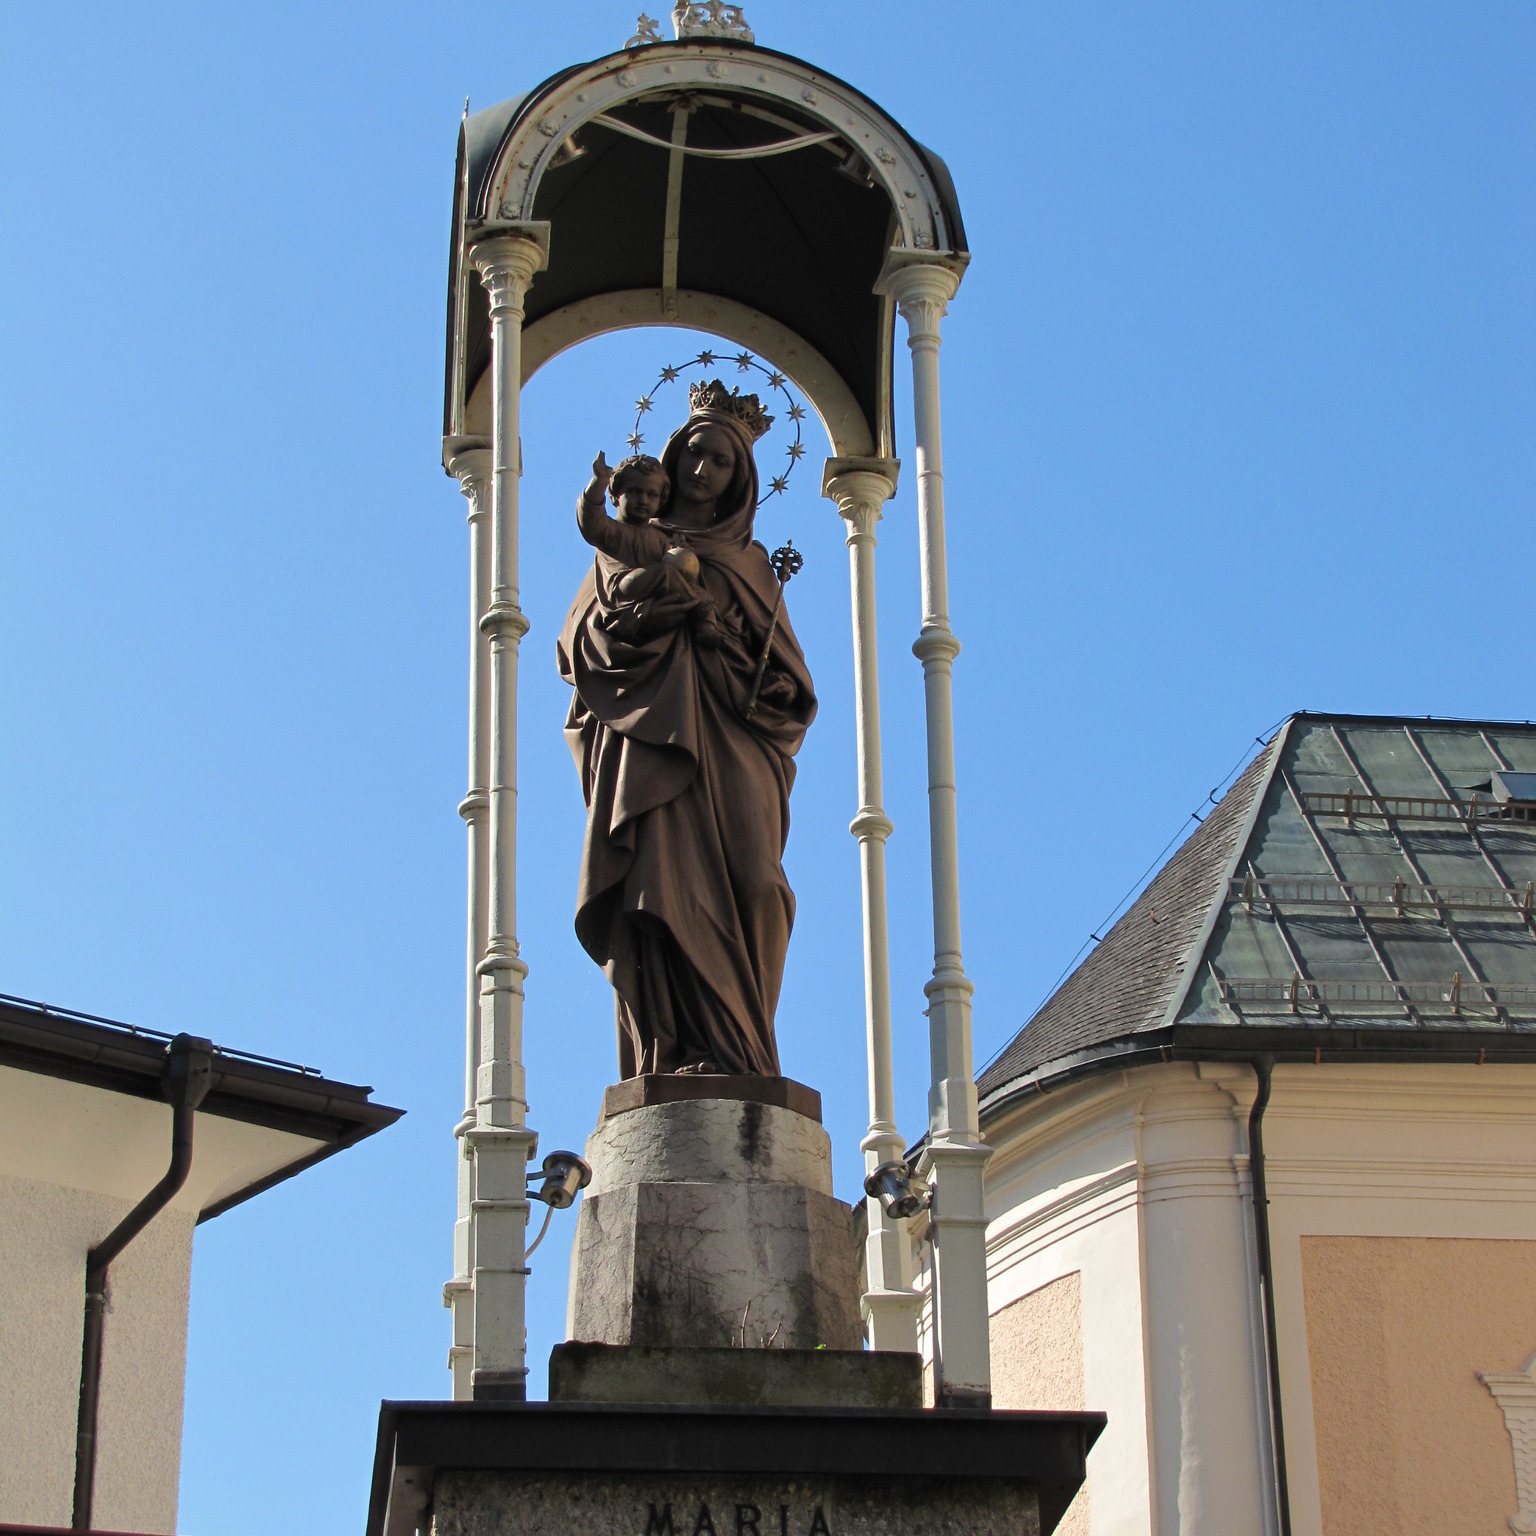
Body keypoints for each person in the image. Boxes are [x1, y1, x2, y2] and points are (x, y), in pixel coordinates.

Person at [557, 381, 816, 1078]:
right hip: (651, 736)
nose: (702, 472)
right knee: (655, 888)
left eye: (720, 463)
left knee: (758, 885)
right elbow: (583, 646)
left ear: (742, 480)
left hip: (733, 739)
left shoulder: (752, 565)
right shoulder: (633, 540)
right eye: (694, 455)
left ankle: (745, 1050)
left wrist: (751, 665)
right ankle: (672, 1052)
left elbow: (790, 688)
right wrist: (666, 612)